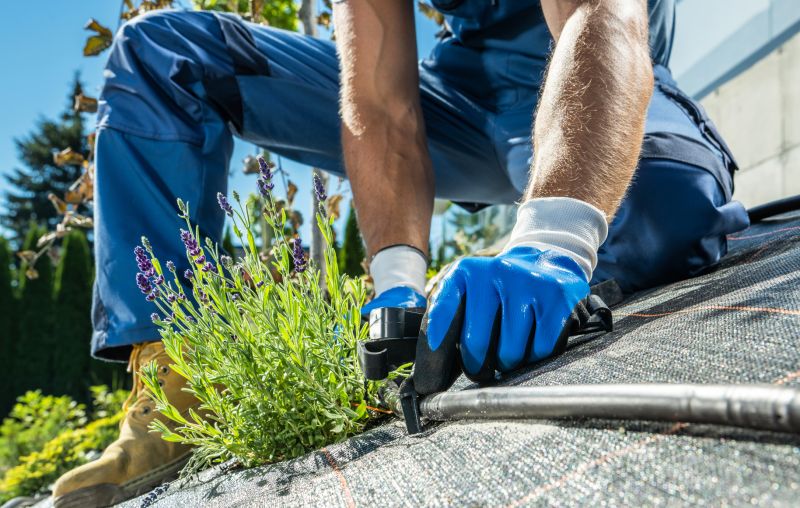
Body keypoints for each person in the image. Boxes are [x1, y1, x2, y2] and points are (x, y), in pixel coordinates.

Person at [51, 1, 749, 506]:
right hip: (465, 101)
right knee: (163, 54)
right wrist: (395, 281)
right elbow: (380, 105)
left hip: (594, 70)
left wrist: (556, 237)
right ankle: (180, 395)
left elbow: (601, 15)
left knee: (663, 213)